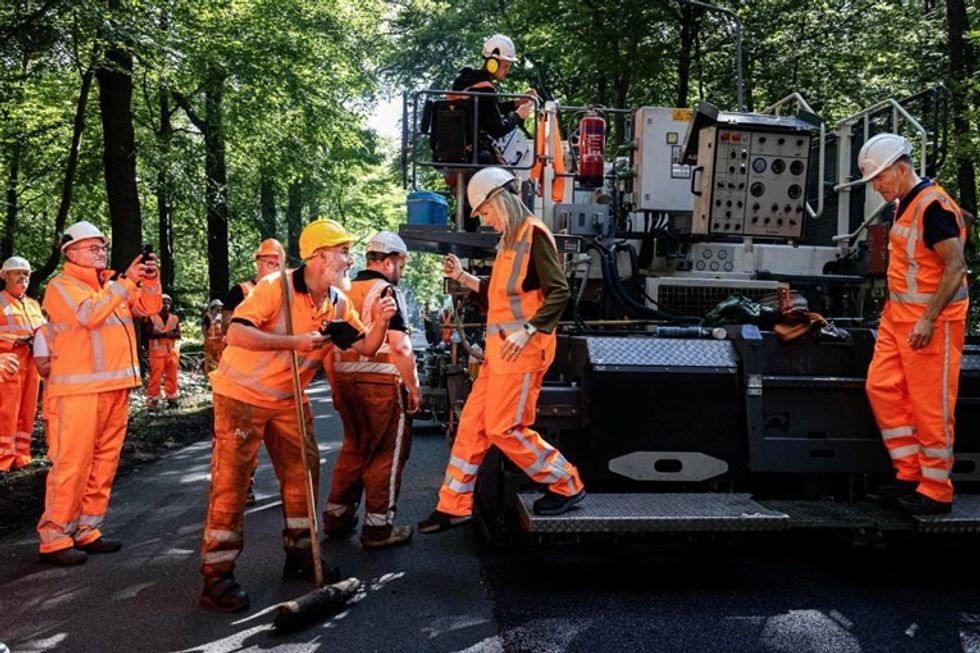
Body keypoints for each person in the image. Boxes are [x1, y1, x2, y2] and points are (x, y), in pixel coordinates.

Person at [200, 219, 397, 613]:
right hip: (240, 395)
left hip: (288, 398)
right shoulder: (274, 288)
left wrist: (382, 322)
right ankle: (217, 576)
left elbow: (366, 348)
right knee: (232, 482)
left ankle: (302, 556)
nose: (349, 259)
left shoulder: (338, 302)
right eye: (342, 252)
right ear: (318, 256)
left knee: (303, 474)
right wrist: (293, 342)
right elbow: (236, 334)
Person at [418, 167, 585, 534]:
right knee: (473, 426)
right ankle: (453, 505)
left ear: (499, 200)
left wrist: (529, 330)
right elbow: (500, 295)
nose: (487, 221)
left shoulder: (534, 235)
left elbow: (559, 292)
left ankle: (566, 483)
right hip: (500, 356)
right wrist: (462, 277)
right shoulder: (510, 241)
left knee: (503, 428)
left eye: (486, 213)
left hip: (523, 354)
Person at [37, 220, 162, 566]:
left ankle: (87, 530)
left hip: (114, 388)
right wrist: (124, 282)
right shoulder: (60, 287)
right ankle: (54, 536)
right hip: (77, 392)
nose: (100, 252)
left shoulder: (111, 285)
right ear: (70, 253)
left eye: (102, 247)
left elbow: (149, 309)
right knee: (72, 464)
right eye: (93, 247)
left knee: (103, 463)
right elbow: (89, 316)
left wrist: (149, 282)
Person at [860, 134, 970, 515]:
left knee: (931, 407)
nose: (876, 186)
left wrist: (927, 318)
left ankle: (936, 489)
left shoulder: (933, 207)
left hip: (931, 324)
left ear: (901, 169)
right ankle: (909, 473)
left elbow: (956, 267)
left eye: (879, 178)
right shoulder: (904, 204)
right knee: (881, 388)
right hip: (898, 321)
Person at [323, 231, 422, 549]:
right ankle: (378, 528)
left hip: (347, 383)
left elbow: (328, 347)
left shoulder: (342, 292)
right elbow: (401, 347)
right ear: (390, 261)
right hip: (380, 385)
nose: (402, 270)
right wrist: (413, 387)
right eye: (401, 264)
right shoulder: (386, 291)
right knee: (385, 454)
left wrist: (336, 385)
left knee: (354, 449)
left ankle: (336, 517)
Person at [448, 34, 537, 228]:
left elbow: (488, 112)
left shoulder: (467, 83)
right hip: (475, 152)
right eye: (505, 66)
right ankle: (512, 224)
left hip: (457, 148)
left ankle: (466, 219)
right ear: (492, 64)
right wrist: (519, 116)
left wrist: (515, 103)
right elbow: (497, 128)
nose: (507, 71)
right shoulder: (485, 89)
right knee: (506, 179)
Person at [222, 237, 285, 505]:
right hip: (245, 376)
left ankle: (293, 488)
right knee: (243, 438)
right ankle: (242, 486)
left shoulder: (289, 295)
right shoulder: (241, 291)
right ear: (258, 263)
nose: (272, 266)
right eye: (267, 261)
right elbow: (228, 327)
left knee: (285, 438)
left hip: (279, 376)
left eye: (277, 262)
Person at [0, 256, 45, 471]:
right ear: (5, 275)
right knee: (6, 412)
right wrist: (13, 340)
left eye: (26, 274)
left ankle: (22, 456)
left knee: (28, 411)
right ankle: (3, 460)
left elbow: (45, 333)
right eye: (18, 273)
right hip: (7, 364)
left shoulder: (34, 305)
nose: (23, 278)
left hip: (32, 364)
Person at [145, 294, 181, 409]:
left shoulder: (174, 318)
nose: (166, 305)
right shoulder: (151, 318)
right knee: (155, 378)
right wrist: (166, 334)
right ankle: (152, 401)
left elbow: (178, 334)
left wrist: (168, 334)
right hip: (156, 354)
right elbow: (149, 334)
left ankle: (172, 398)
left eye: (168, 303)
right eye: (163, 302)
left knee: (172, 376)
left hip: (171, 353)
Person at [202, 299, 225, 374]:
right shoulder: (207, 316)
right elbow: (204, 329)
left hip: (220, 342)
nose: (221, 307)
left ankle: (219, 374)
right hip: (210, 341)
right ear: (214, 306)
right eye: (219, 306)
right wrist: (206, 339)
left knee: (220, 359)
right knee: (209, 359)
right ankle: (208, 375)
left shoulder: (221, 316)